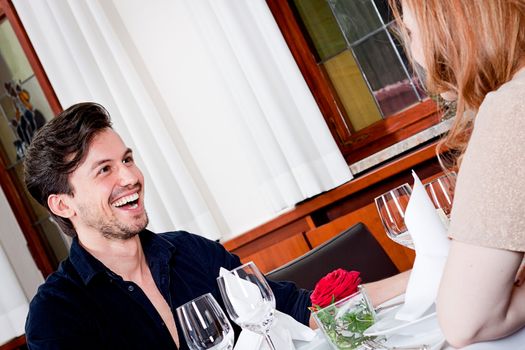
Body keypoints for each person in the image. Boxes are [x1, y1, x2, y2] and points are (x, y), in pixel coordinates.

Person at [23, 102, 408, 349]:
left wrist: (424, 276)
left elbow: (298, 309)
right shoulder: (57, 313)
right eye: (104, 170)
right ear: (63, 204)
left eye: (127, 159)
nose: (130, 177)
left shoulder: (193, 252)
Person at [390, 0, 525, 347]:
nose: (413, 51)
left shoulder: (513, 108)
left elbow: (467, 322)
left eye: (410, 30)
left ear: (452, 25)